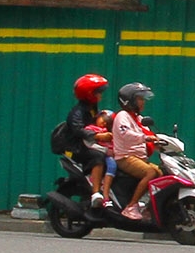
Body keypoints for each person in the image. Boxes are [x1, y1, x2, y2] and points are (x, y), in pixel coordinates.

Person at [53, 74, 111, 203]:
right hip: (75, 148)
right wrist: (98, 135)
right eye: (98, 92)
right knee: (98, 157)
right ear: (89, 94)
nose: (101, 94)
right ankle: (96, 193)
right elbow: (78, 130)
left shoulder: (92, 108)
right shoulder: (77, 112)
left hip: (88, 144)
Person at [107, 82, 160, 222]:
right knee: (150, 172)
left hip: (140, 158)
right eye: (139, 99)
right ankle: (131, 206)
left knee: (161, 174)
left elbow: (149, 133)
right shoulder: (122, 116)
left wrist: (161, 141)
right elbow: (126, 133)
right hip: (126, 157)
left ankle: (146, 207)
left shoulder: (138, 118)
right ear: (129, 100)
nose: (142, 102)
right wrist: (145, 137)